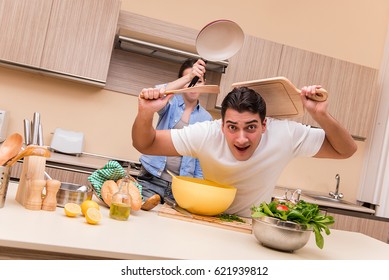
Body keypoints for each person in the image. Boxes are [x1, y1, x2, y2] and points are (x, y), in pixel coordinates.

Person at [132, 84, 357, 217]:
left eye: (250, 127)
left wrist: (320, 114)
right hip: (208, 219)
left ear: (264, 124)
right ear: (222, 126)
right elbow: (146, 144)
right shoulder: (207, 133)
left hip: (252, 227)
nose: (241, 138)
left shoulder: (285, 134)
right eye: (232, 127)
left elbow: (345, 150)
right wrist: (145, 112)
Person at [137, 58, 212, 210]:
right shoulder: (170, 103)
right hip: (152, 180)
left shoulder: (207, 119)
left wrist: (196, 190)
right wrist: (189, 76)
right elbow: (157, 93)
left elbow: (201, 161)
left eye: (198, 81)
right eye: (189, 81)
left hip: (180, 190)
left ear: (204, 84)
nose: (192, 85)